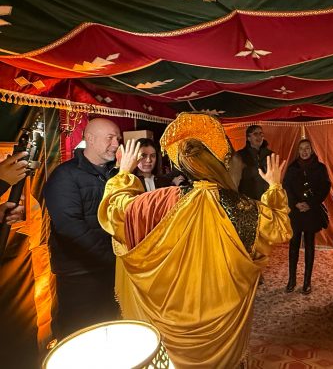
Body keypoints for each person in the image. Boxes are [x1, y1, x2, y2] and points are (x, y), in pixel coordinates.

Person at [98, 113, 292, 368]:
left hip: (172, 314)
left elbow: (116, 211)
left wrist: (124, 172)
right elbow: (279, 226)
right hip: (223, 318)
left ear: (183, 165)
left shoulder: (160, 201)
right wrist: (275, 186)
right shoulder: (244, 208)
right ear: (221, 164)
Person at [44, 118, 122, 339]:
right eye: (110, 138)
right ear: (90, 138)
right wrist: (111, 257)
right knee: (80, 333)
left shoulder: (115, 175)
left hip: (111, 270)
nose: (116, 144)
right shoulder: (65, 175)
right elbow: (70, 227)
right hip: (79, 275)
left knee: (110, 328)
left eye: (118, 138)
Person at [283, 139, 331, 294]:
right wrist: (295, 203)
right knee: (294, 246)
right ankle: (291, 280)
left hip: (311, 211)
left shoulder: (320, 168)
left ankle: (307, 282)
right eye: (301, 148)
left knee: (310, 246)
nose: (304, 151)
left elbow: (325, 187)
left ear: (311, 150)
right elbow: (286, 187)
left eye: (307, 148)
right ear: (298, 151)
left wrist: (310, 203)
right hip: (296, 211)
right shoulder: (292, 168)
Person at [231, 125, 273, 200]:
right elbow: (234, 180)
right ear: (248, 138)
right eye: (255, 134)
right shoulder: (240, 156)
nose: (259, 136)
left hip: (267, 198)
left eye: (261, 133)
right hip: (248, 199)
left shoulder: (270, 155)